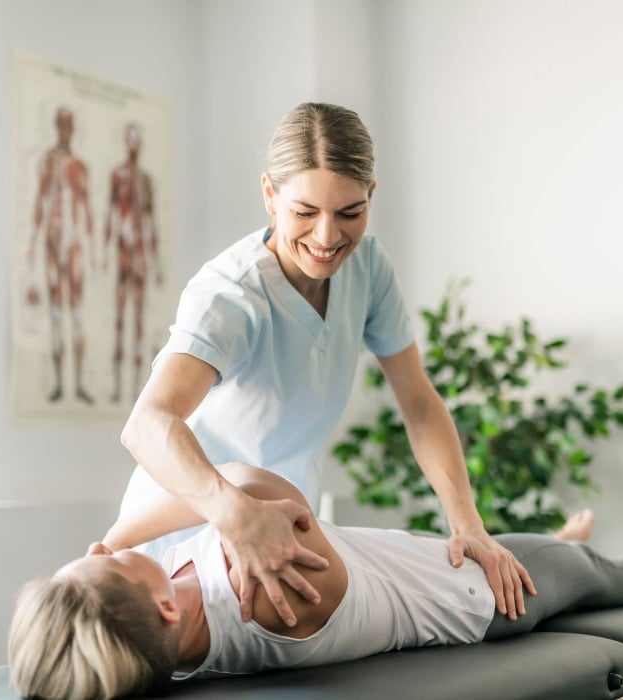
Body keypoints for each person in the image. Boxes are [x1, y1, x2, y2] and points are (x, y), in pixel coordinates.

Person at [117, 102, 535, 630]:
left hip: (286, 530)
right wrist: (232, 513)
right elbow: (147, 424)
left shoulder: (368, 269)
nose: (326, 237)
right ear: (270, 194)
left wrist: (468, 524)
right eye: (304, 212)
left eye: (349, 213)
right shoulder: (230, 295)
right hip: (190, 539)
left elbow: (419, 404)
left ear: (371, 197)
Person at [8, 464, 623, 700]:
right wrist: (124, 538)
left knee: (548, 551)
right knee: (586, 574)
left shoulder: (169, 631)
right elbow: (243, 482)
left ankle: (553, 541)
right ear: (161, 603)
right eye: (99, 557)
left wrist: (111, 561)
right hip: (475, 596)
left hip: (409, 558)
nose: (102, 545)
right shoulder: (272, 594)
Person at [26, 106, 95, 404]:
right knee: (56, 316)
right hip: (53, 245)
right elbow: (41, 203)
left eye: (69, 125)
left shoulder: (80, 166)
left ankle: (78, 384)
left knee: (77, 317)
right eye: (62, 125)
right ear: (57, 127)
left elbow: (86, 209)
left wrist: (92, 253)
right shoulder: (48, 162)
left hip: (74, 246)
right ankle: (58, 382)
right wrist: (32, 246)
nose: (65, 131)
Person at [104, 122, 160, 403]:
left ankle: (138, 391)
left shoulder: (146, 181)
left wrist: (155, 261)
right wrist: (103, 254)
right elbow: (110, 215)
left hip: (139, 256)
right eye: (131, 140)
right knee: (118, 319)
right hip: (124, 254)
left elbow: (151, 223)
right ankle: (116, 388)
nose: (134, 145)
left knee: (137, 320)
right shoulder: (118, 176)